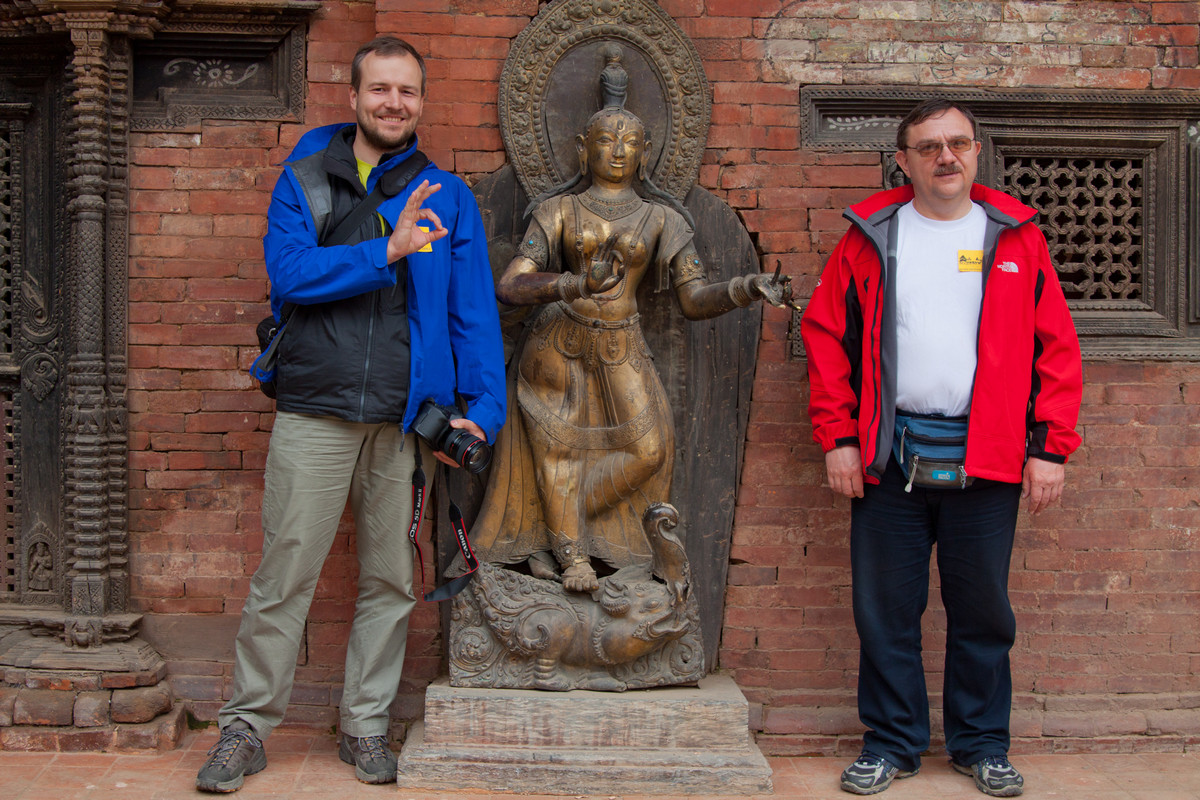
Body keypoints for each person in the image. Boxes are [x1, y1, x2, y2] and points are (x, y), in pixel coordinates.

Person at [195, 36, 505, 793]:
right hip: (316, 413)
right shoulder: (306, 179)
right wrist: (387, 250)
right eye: (380, 90)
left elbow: (473, 316)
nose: (394, 103)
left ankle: (365, 725)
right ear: (355, 97)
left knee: (391, 580)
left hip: (406, 424)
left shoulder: (448, 197)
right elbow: (290, 275)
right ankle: (247, 725)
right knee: (286, 573)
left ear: (420, 102)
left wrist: (482, 412)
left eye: (407, 91)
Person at [801, 98, 1082, 798]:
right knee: (884, 612)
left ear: (977, 153)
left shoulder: (1016, 238)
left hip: (988, 459)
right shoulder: (871, 236)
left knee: (983, 612)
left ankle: (981, 745)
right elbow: (825, 337)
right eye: (929, 147)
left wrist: (1050, 448)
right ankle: (892, 745)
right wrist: (837, 438)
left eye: (957, 143)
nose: (945, 157)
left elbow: (1058, 348)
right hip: (888, 456)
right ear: (904, 160)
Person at [469, 53, 796, 598]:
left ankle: (562, 519)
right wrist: (572, 284)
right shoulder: (557, 211)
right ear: (582, 148)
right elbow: (511, 284)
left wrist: (743, 288)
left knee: (650, 450)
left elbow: (693, 299)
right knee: (557, 449)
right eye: (605, 140)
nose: (617, 152)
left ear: (646, 152)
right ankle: (571, 553)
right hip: (558, 338)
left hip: (623, 341)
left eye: (629, 142)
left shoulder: (663, 218)